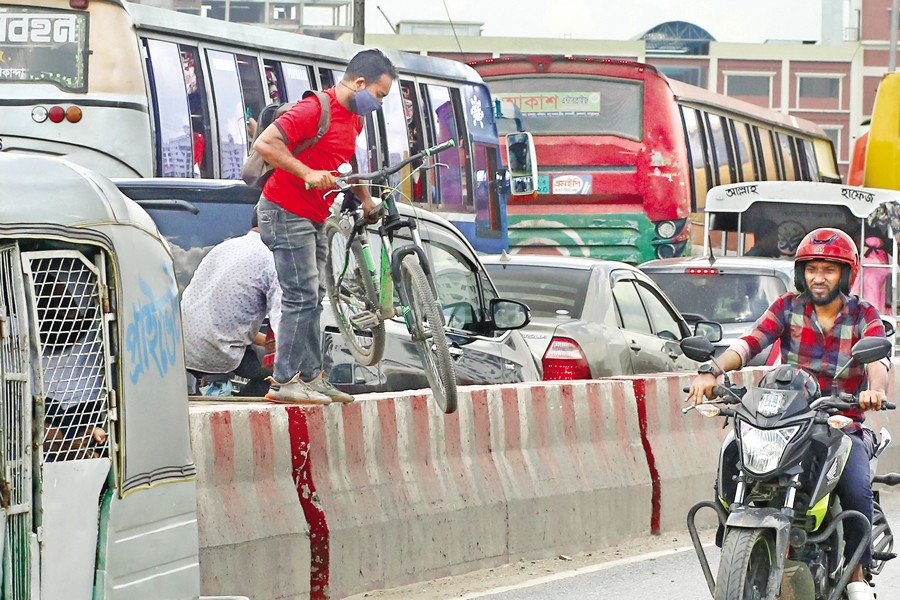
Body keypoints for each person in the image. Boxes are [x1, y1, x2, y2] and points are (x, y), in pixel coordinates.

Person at [687, 227, 888, 600]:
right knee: (734, 450)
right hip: (788, 420)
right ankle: (735, 537)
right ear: (801, 272)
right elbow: (750, 342)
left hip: (839, 422)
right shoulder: (786, 307)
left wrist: (874, 390)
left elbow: (878, 361)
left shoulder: (863, 314)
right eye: (811, 269)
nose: (818, 277)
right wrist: (711, 370)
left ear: (846, 274)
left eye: (829, 270)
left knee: (855, 485)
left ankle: (857, 572)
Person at [253, 48, 397, 404]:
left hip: (314, 215)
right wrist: (307, 172)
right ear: (359, 83)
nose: (379, 104)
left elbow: (348, 161)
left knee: (314, 297)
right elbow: (265, 143)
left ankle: (312, 377)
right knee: (300, 295)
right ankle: (284, 381)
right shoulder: (315, 109)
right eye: (379, 95)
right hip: (284, 211)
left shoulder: (354, 119)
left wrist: (366, 199)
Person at [181, 212, 282, 397]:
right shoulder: (272, 257)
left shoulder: (224, 248)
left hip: (184, 346)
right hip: (219, 351)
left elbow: (228, 318)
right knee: (281, 377)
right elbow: (282, 323)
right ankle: (245, 408)